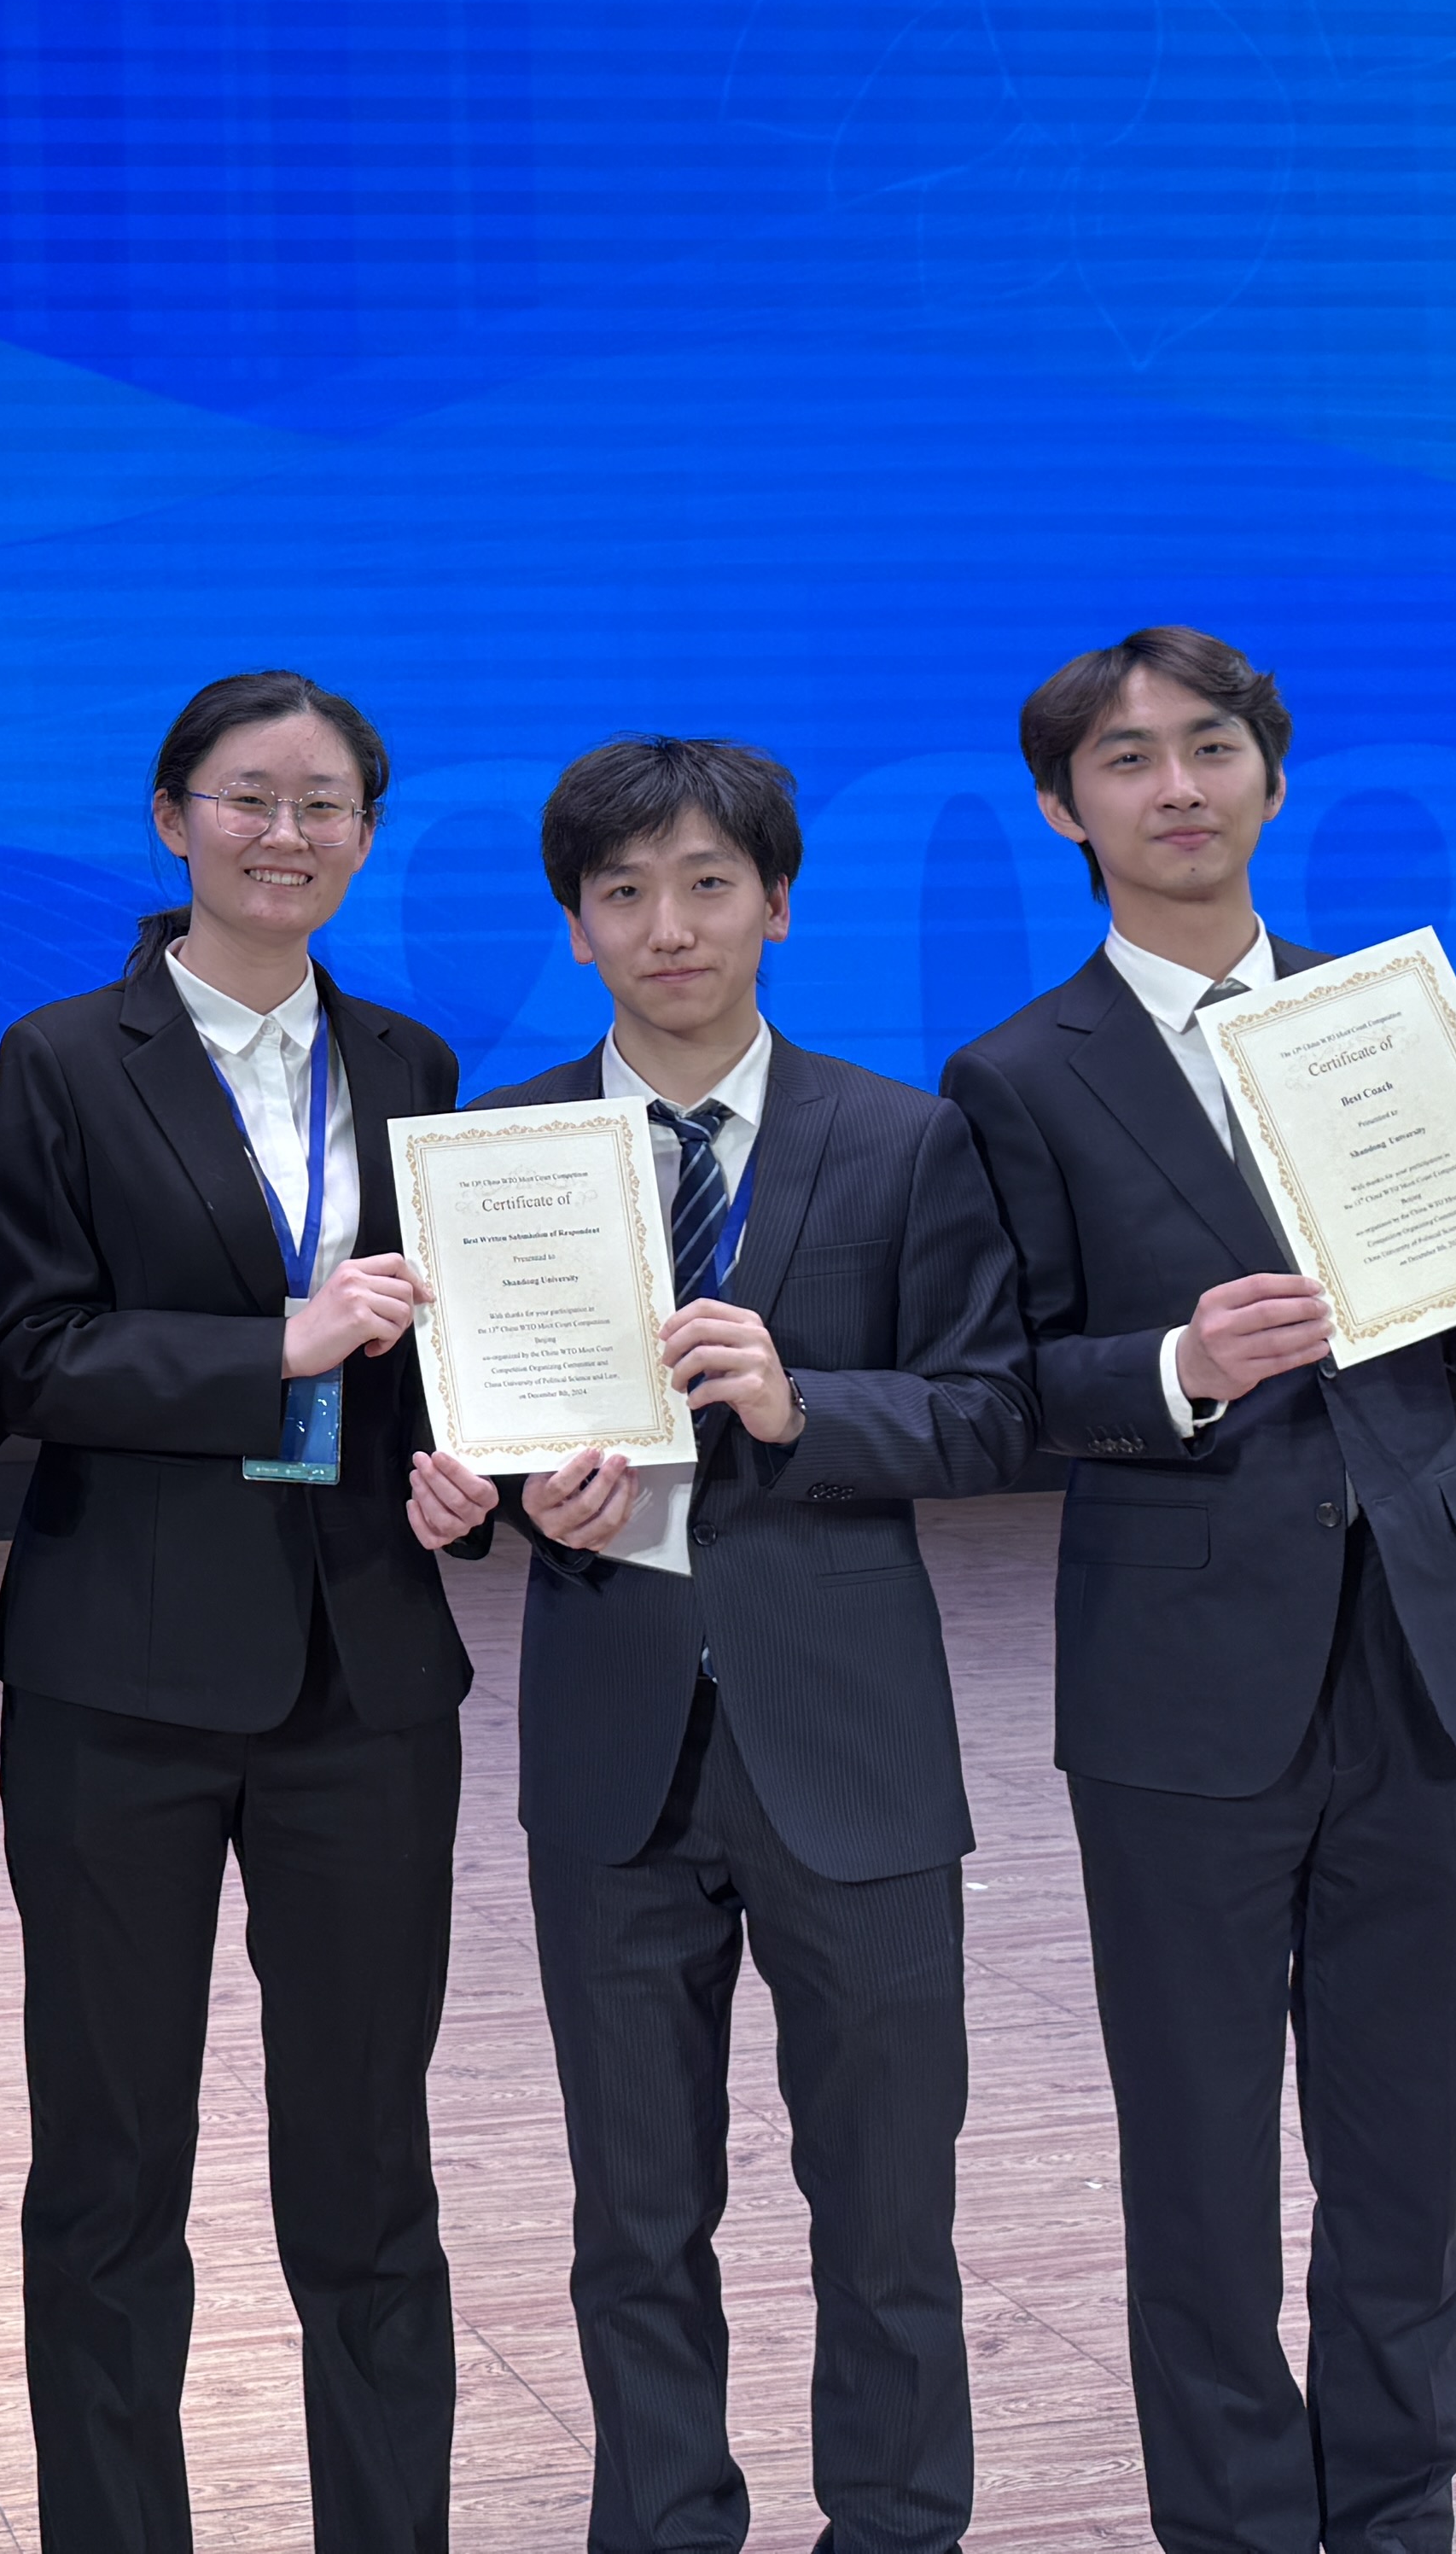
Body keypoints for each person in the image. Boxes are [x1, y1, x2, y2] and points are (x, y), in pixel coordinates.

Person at [937, 630, 1456, 2554]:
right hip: (1181, 1691)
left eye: (1212, 747)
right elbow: (1000, 1383)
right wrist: (1177, 1368)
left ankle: (1398, 2521)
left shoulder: (1386, 1019)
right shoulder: (1014, 1075)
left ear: (1270, 775)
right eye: (1127, 760)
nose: (1176, 787)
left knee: (1405, 2171)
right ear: (1062, 808)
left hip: (1428, 1668)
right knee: (1198, 2182)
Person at [405, 740, 1033, 2554]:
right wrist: (493, 1498)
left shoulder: (904, 1137)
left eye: (705, 885)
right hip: (613, 1746)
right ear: (576, 928)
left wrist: (799, 1402)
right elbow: (461, 1433)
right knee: (634, 2219)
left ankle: (896, 2530)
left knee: (888, 2211)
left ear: (778, 904)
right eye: (623, 894)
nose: (667, 926)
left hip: (852, 1747)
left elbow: (991, 1414)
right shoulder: (499, 1156)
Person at [0, 670, 469, 2554]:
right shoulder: (59, 1058)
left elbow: (433, 1365)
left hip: (367, 1673)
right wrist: (277, 1343)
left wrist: (469, 1481)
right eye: (249, 796)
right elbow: (31, 1351)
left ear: (365, 835)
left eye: (324, 802)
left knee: (370, 2171)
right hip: (122, 1678)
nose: (286, 832)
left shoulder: (415, 1065)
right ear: (172, 816)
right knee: (111, 2175)